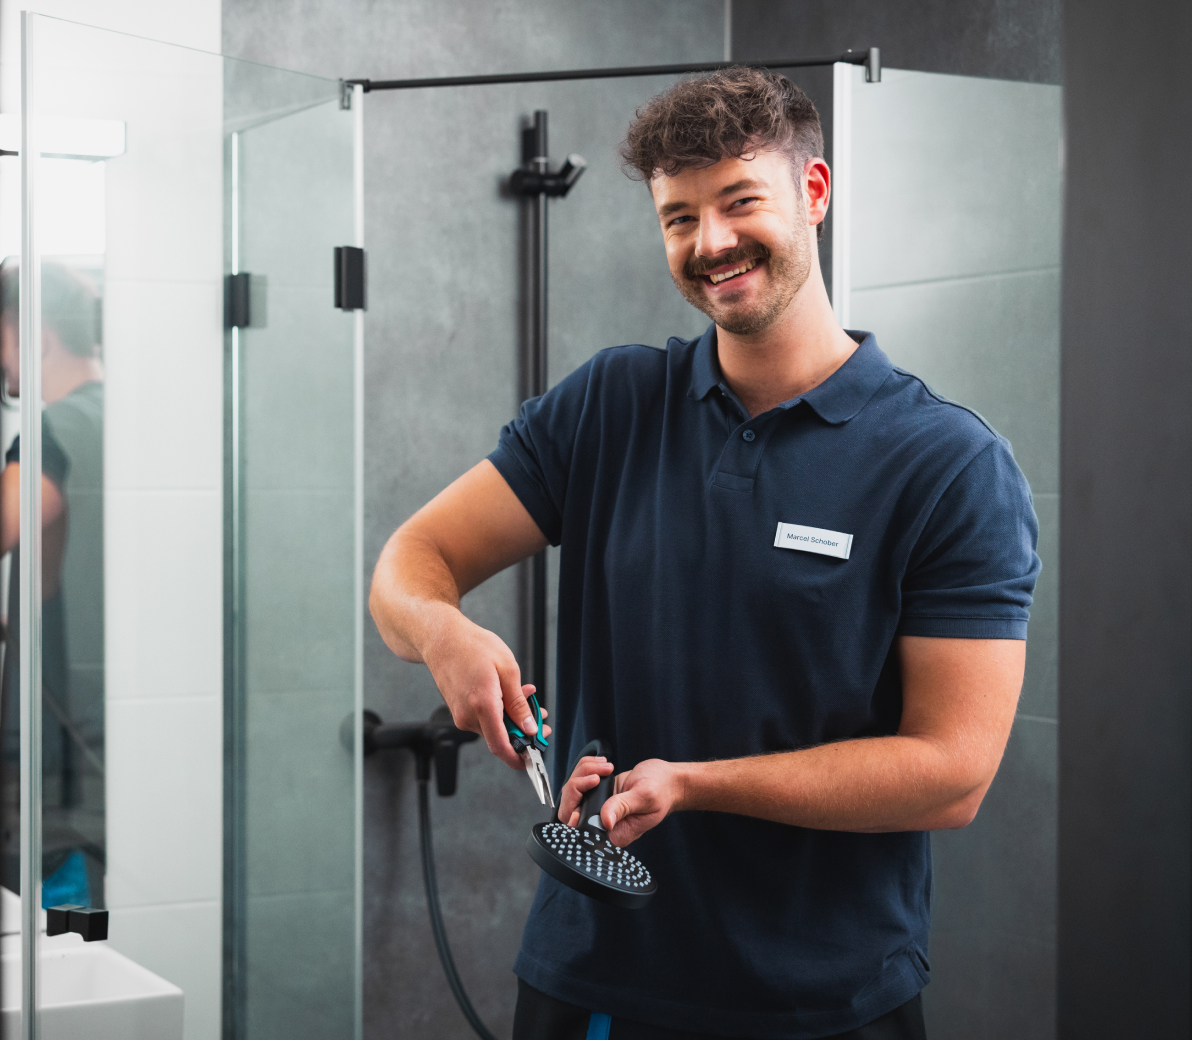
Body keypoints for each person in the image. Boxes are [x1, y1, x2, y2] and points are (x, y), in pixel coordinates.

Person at [369, 68, 1040, 1040]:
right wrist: (440, 631)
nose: (710, 243)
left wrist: (692, 781)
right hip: (587, 974)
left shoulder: (946, 463)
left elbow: (952, 771)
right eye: (677, 217)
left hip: (821, 996)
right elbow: (411, 557)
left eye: (738, 202)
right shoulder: (607, 406)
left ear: (812, 194)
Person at [0, 257, 105, 909]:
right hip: (108, 740)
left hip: (55, 757)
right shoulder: (134, 420)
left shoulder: (52, 431)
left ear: (35, 337)